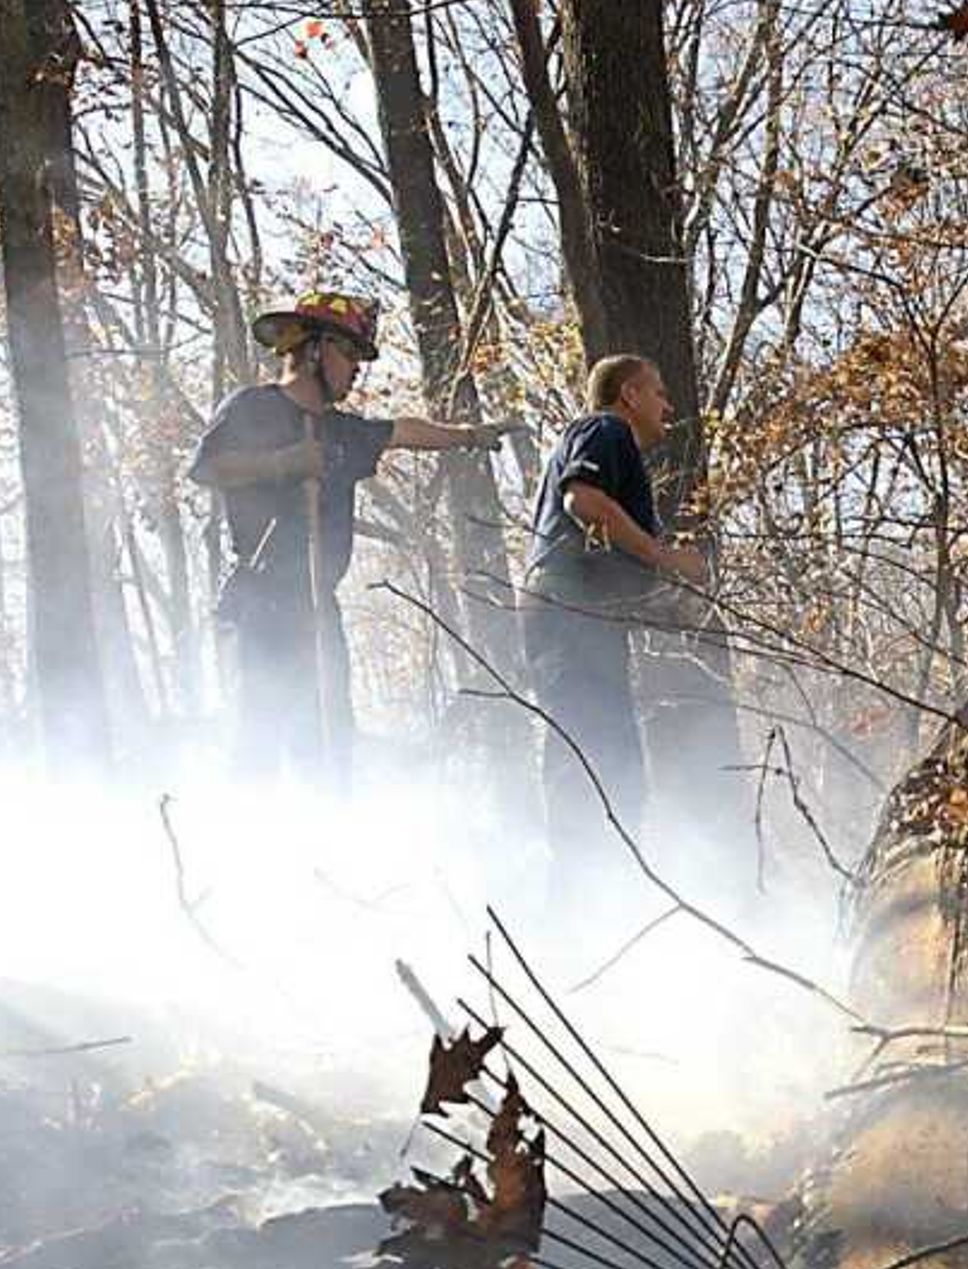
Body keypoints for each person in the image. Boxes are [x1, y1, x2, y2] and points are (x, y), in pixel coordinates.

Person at [190, 291, 500, 778]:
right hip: (258, 606)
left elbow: (401, 432)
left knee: (328, 744)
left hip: (316, 609)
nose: (357, 368)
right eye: (349, 352)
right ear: (313, 348)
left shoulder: (340, 431)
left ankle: (326, 843)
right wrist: (281, 462)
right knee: (257, 740)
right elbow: (206, 467)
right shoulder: (253, 408)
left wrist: (468, 436)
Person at [521, 353, 705, 864]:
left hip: (579, 616)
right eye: (660, 392)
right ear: (630, 394)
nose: (668, 405)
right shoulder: (606, 430)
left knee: (613, 752)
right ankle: (583, 883)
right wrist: (665, 558)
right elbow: (582, 502)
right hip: (568, 611)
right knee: (590, 750)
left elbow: (606, 551)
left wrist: (662, 600)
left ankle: (607, 875)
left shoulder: (616, 448)